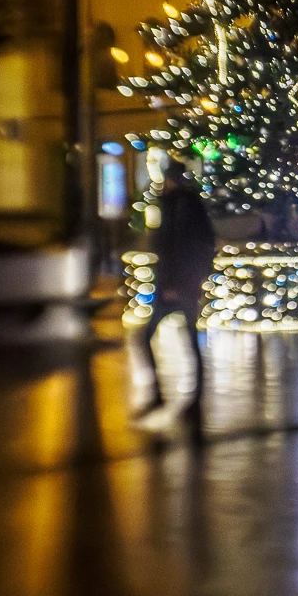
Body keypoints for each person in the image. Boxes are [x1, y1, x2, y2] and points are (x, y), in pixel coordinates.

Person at [133, 155, 216, 440]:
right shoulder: (185, 203)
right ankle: (192, 400)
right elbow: (202, 244)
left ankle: (167, 396)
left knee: (150, 337)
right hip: (182, 284)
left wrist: (174, 283)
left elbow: (175, 246)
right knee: (188, 340)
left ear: (169, 179)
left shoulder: (179, 205)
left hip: (175, 286)